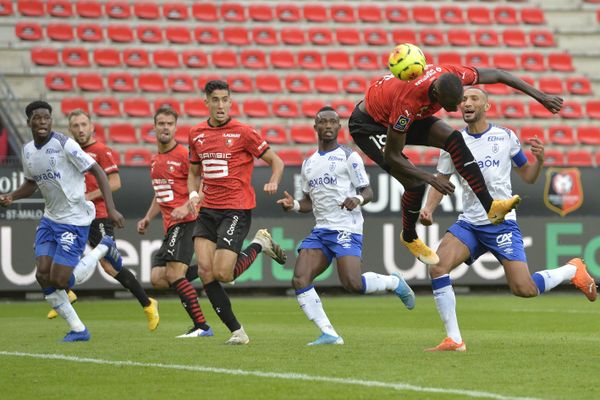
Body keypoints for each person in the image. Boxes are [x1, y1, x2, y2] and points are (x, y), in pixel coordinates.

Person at [419, 87, 597, 352]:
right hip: (469, 222)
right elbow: (441, 180)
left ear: (486, 106)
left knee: (523, 288)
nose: (467, 103)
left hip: (500, 222)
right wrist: (428, 209)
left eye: (473, 99)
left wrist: (539, 160)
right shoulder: (453, 143)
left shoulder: (504, 137)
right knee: (437, 267)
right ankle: (454, 339)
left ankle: (572, 270)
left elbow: (528, 175)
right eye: (464, 100)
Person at [348, 63, 564, 265]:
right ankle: (409, 236)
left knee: (455, 140)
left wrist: (541, 97)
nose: (455, 109)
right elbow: (393, 156)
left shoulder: (456, 74)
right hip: (370, 125)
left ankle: (491, 206)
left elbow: (499, 75)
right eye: (450, 105)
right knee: (415, 183)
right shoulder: (407, 105)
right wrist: (430, 178)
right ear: (436, 96)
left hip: (402, 112)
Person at [277, 106, 416, 345]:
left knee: (352, 283)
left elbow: (368, 191)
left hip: (346, 228)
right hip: (321, 230)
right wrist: (294, 206)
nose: (328, 125)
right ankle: (329, 333)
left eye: (333, 122)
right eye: (323, 122)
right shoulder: (308, 163)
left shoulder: (349, 157)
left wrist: (358, 199)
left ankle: (394, 282)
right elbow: (309, 201)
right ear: (316, 127)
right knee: (300, 279)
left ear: (339, 128)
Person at [0, 101, 125, 341]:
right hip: (50, 219)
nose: (43, 122)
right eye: (38, 118)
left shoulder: (65, 144)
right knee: (42, 275)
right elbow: (31, 182)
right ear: (29, 122)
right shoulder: (28, 151)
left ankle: (103, 248)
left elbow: (98, 170)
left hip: (74, 220)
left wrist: (111, 209)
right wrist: (12, 196)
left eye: (47, 118)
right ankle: (79, 330)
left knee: (59, 280)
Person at [187, 80, 287, 345]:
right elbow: (194, 173)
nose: (220, 105)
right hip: (207, 210)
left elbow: (276, 161)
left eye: (225, 99)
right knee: (206, 273)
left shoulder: (244, 132)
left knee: (224, 274)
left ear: (230, 102)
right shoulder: (196, 133)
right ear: (205, 102)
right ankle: (237, 332)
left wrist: (274, 180)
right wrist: (194, 195)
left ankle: (259, 243)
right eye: (215, 100)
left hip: (236, 209)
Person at [43, 109, 161, 330]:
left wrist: (89, 196)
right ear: (70, 130)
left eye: (83, 125)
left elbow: (115, 183)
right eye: (76, 126)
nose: (80, 129)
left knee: (109, 266)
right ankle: (67, 294)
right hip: (74, 217)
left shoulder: (101, 151)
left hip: (98, 215)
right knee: (59, 256)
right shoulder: (70, 152)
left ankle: (148, 303)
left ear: (92, 127)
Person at [137, 106, 214, 338]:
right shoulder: (155, 160)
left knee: (173, 274)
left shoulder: (183, 155)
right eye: (161, 123)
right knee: (158, 278)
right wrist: (148, 217)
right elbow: (160, 195)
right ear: (154, 127)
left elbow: (203, 183)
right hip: (170, 226)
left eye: (169, 124)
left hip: (187, 221)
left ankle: (202, 326)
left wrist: (187, 205)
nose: (165, 128)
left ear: (175, 127)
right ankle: (206, 269)